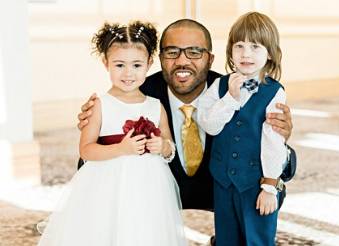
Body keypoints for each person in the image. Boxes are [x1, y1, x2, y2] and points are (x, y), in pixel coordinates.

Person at [78, 18, 296, 245]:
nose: (182, 61)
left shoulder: (232, 88)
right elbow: (91, 158)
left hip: (224, 185)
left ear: (210, 58)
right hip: (154, 190)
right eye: (172, 52)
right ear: (159, 59)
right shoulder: (137, 94)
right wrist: (98, 129)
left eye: (194, 52)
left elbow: (272, 149)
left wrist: (282, 137)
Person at [38, 21, 187, 246]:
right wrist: (121, 149)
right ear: (106, 63)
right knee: (107, 229)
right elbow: (86, 149)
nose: (128, 73)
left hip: (149, 183)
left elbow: (169, 146)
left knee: (145, 229)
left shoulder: (155, 105)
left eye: (136, 65)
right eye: (119, 65)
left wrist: (162, 146)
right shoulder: (100, 104)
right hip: (108, 182)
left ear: (148, 63)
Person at [197, 12, 288, 245]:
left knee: (257, 237)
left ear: (269, 53)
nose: (246, 53)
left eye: (255, 46)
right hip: (223, 181)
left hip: (255, 183)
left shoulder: (274, 92)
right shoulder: (220, 85)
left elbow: (273, 140)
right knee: (227, 238)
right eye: (239, 46)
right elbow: (209, 125)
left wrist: (269, 186)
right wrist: (229, 98)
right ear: (230, 51)